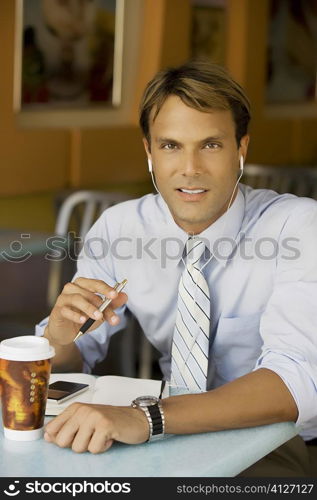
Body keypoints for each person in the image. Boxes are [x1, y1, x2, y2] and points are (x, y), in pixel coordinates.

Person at [36, 60, 317, 476]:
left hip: (279, 443)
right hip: (169, 442)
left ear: (241, 148)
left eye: (211, 144)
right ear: (149, 152)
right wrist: (60, 339)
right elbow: (68, 368)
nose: (190, 168)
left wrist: (148, 418)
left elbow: (298, 384)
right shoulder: (120, 227)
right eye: (170, 146)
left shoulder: (299, 226)